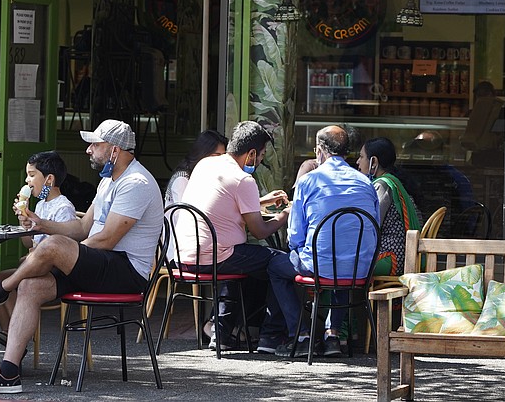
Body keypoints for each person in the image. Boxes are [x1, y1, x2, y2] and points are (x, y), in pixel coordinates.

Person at [0, 119, 163, 395]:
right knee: (31, 285)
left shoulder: (136, 182)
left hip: (126, 271)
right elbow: (82, 228)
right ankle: (8, 372)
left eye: (95, 145)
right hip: (100, 265)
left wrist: (63, 253)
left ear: (115, 150)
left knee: (54, 247)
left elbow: (107, 239)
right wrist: (40, 224)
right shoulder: (108, 182)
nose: (89, 150)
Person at [175, 120, 289, 352]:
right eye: (262, 156)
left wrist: (262, 201)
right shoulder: (243, 179)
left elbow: (222, 203)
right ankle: (271, 336)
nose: (260, 161)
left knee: (238, 255)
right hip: (215, 256)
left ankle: (221, 333)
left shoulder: (206, 164)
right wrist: (286, 214)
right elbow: (259, 231)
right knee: (281, 262)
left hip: (184, 254)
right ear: (251, 154)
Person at [266, 125, 379, 358]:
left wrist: (303, 250)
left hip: (321, 265)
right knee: (341, 260)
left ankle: (302, 335)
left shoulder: (308, 182)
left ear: (319, 151)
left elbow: (294, 236)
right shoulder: (366, 183)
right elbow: (373, 228)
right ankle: (332, 335)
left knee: (275, 267)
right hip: (360, 268)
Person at [0, 151, 80, 331]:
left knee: (8, 283)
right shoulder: (40, 204)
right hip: (36, 265)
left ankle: (17, 335)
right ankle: (12, 336)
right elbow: (29, 244)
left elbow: (64, 246)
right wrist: (24, 223)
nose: (26, 181)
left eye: (31, 175)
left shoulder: (63, 207)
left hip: (54, 271)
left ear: (49, 180)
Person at [357, 137, 421, 276]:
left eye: (361, 157)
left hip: (391, 257)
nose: (358, 162)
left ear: (373, 161)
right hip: (402, 254)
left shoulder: (382, 185)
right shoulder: (394, 181)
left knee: (342, 265)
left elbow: (372, 225)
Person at [163, 128, 228, 206]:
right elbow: (182, 214)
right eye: (216, 155)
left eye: (223, 155)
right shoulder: (182, 178)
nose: (221, 159)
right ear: (202, 154)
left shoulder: (213, 175)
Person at [460, 81, 504, 167]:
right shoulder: (501, 112)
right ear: (492, 94)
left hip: (477, 157)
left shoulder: (471, 113)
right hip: (495, 157)